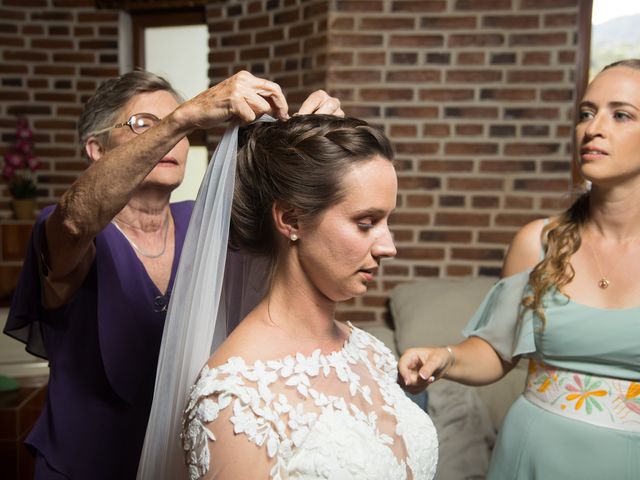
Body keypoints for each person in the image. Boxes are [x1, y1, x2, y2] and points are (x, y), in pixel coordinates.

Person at [3, 69, 342, 479]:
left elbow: (293, 228)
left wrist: (320, 135)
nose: (173, 137)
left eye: (177, 126)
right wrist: (184, 116)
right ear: (96, 148)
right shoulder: (61, 226)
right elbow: (75, 221)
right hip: (84, 466)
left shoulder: (202, 223)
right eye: (146, 124)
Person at [398, 59, 640, 479]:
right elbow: (496, 351)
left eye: (620, 114)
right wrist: (446, 358)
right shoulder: (538, 243)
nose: (592, 128)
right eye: (586, 113)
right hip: (532, 455)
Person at [177, 114, 439, 479]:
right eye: (366, 223)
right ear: (292, 220)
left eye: (387, 222)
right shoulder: (235, 397)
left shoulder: (371, 353)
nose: (389, 246)